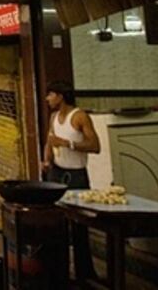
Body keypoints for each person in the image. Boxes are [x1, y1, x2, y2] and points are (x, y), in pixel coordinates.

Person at [41, 80, 100, 280]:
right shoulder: (53, 117)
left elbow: (95, 145)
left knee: (79, 226)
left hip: (76, 176)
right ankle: (60, 271)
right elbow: (50, 140)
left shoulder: (79, 116)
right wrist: (46, 160)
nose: (47, 99)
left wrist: (68, 144)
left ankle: (85, 273)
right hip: (56, 173)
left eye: (50, 94)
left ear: (61, 96)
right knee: (57, 224)